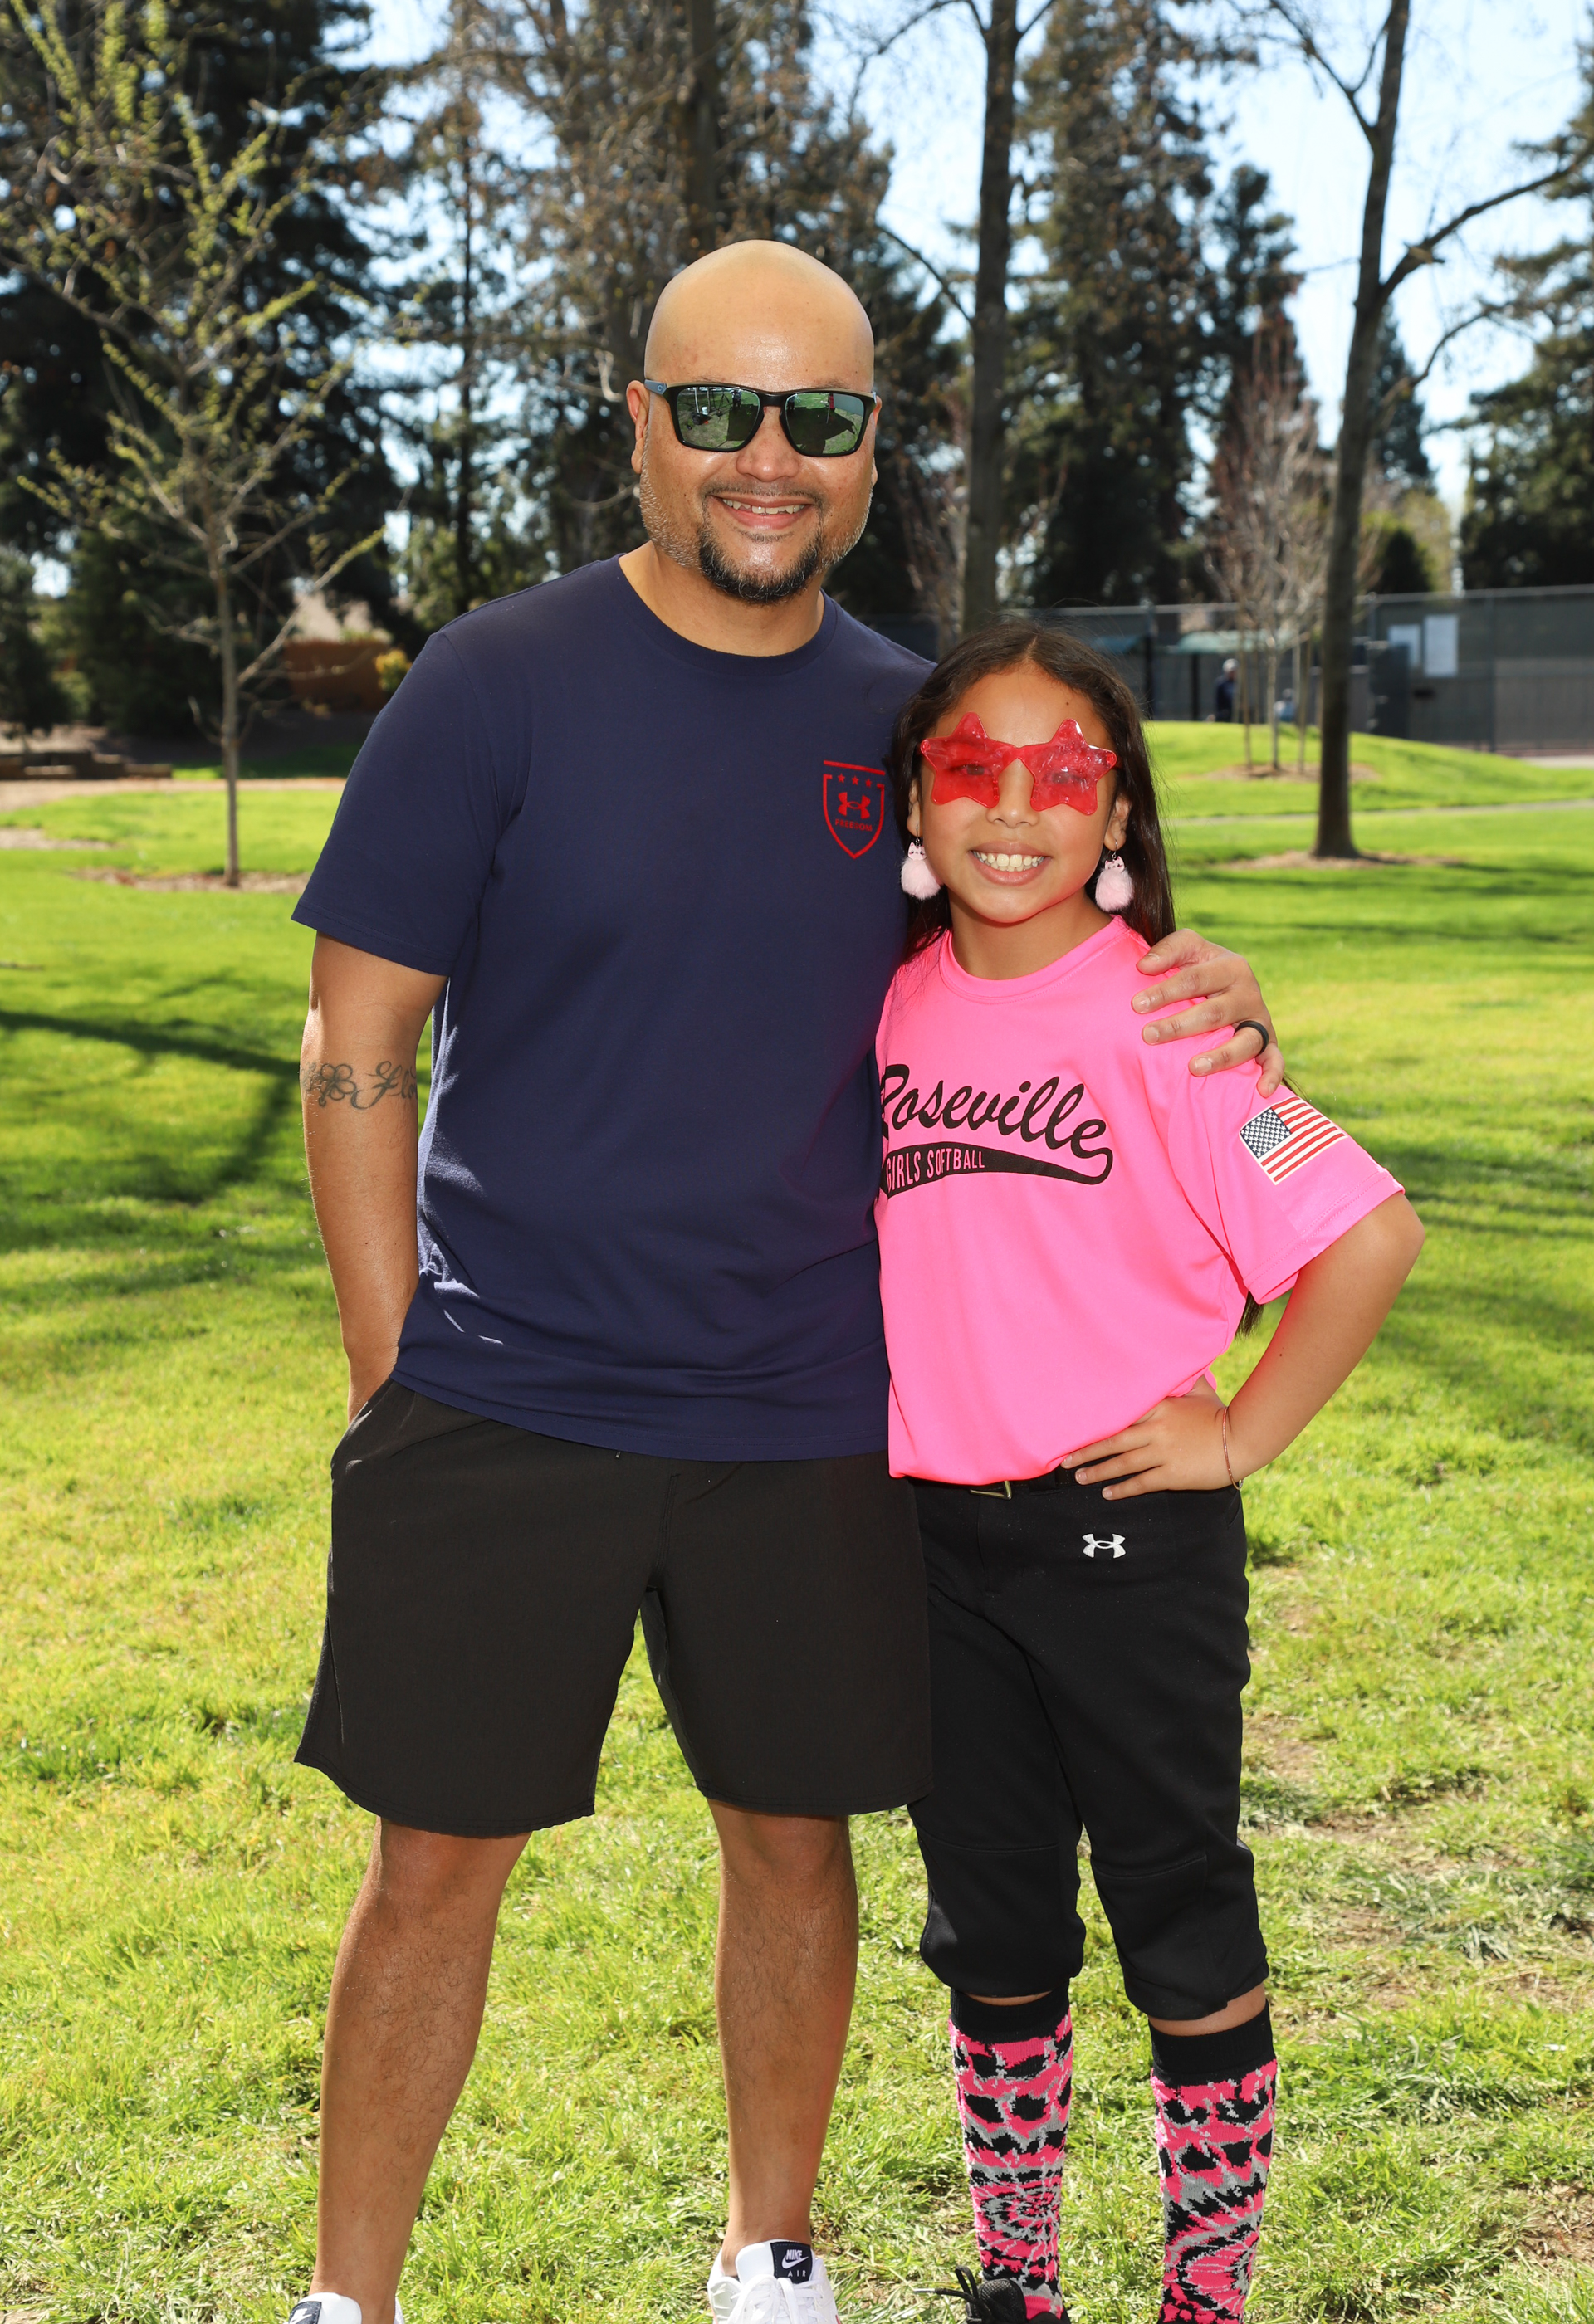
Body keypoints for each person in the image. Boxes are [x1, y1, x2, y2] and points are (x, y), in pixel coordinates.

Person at [281, 242, 1286, 2324]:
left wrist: (1210, 978)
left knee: (796, 1843)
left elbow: (1043, 938)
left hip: (816, 1407)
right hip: (505, 1390)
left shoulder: (908, 728)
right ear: (640, 425)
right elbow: (356, 1043)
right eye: (720, 410)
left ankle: (774, 2258)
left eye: (817, 417)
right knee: (431, 1870)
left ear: (869, 449)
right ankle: (345, 2301)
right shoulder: (492, 681)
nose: (767, 457)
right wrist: (393, 1374)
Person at [876, 624, 1422, 2324]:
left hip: (1128, 1543)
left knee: (1177, 1909)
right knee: (993, 1933)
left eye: (1063, 771)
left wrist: (1239, 1431)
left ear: (1117, 810)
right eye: (971, 766)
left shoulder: (1173, 1015)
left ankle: (1205, 2298)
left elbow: (1368, 1231)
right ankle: (1017, 2280)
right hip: (930, 1550)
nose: (1013, 805)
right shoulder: (887, 1002)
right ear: (917, 798)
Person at [1213, 656, 1238, 721]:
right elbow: (1218, 701)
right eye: (1231, 672)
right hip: (1224, 712)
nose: (1232, 673)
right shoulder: (1221, 683)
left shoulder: (1238, 683)